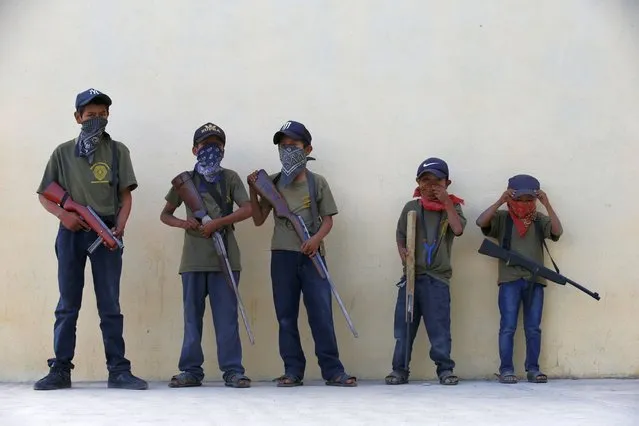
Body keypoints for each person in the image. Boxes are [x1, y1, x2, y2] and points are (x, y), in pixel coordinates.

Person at [34, 88, 147, 390]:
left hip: (105, 231)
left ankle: (118, 370)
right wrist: (64, 216)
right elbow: (45, 195)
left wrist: (119, 227)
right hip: (71, 234)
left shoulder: (118, 151)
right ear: (77, 117)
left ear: (108, 115)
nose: (96, 119)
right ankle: (60, 369)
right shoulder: (62, 152)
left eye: (101, 114)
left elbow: (125, 197)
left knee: (109, 304)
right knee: (67, 304)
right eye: (90, 115)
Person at [247, 120, 357, 387]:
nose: (287, 151)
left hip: (312, 256)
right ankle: (292, 370)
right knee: (285, 316)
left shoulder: (317, 183)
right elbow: (259, 218)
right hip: (282, 256)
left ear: (308, 148)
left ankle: (333, 371)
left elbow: (328, 220)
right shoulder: (271, 183)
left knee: (321, 313)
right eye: (283, 146)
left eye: (293, 146)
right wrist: (253, 189)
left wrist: (316, 240)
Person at [160, 122, 253, 388]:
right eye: (205, 145)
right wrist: (184, 223)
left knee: (227, 319)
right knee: (192, 318)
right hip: (193, 260)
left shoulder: (231, 178)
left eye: (216, 145)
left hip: (226, 259)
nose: (211, 150)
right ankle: (190, 370)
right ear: (194, 149)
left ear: (223, 149)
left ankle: (233, 370)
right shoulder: (184, 181)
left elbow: (247, 209)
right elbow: (165, 214)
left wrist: (219, 222)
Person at [385, 158, 466, 386]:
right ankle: (399, 369)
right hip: (411, 277)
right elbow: (400, 233)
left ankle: (445, 369)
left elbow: (458, 229)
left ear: (447, 183)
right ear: (418, 183)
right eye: (425, 181)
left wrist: (447, 203)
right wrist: (402, 250)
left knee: (439, 328)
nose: (430, 187)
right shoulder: (412, 207)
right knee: (404, 327)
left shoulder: (453, 207)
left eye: (436, 181)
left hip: (437, 280)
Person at [475, 174, 563, 384]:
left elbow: (558, 231)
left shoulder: (538, 219)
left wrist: (547, 204)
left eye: (528, 200)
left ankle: (533, 369)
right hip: (509, 280)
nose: (524, 205)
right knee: (508, 326)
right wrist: (500, 201)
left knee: (533, 327)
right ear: (510, 196)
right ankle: (506, 370)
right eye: (519, 199)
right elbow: (480, 222)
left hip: (536, 280)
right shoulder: (503, 218)